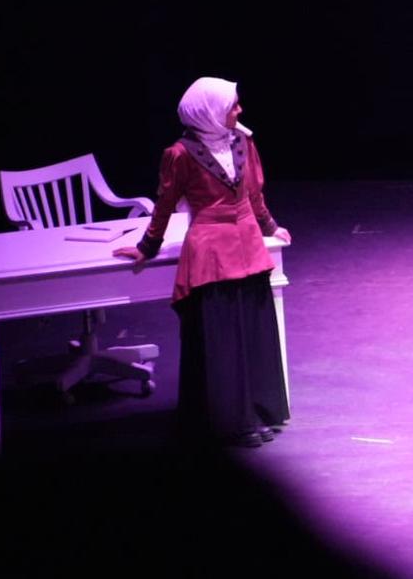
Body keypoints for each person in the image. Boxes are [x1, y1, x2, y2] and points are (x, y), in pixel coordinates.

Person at [115, 76, 292, 447]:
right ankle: (232, 421)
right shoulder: (179, 154)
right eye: (232, 105)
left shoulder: (242, 141)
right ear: (208, 112)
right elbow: (165, 205)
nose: (239, 110)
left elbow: (254, 195)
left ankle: (258, 411)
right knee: (223, 339)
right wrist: (147, 247)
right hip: (212, 250)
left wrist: (271, 227)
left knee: (253, 332)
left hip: (247, 244)